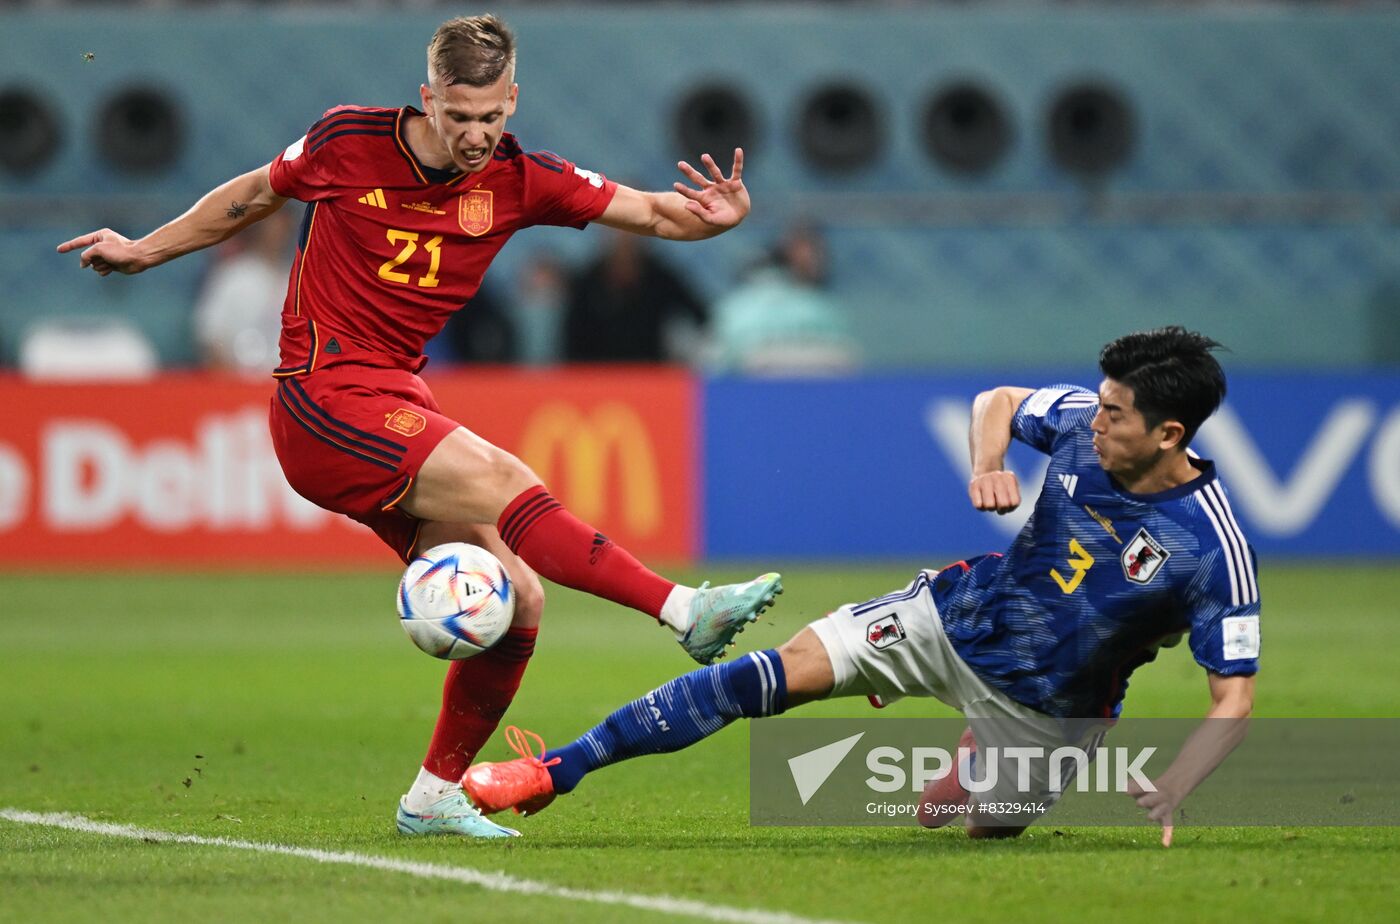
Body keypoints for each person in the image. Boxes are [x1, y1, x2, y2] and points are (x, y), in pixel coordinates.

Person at [56, 14, 781, 840]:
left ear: (512, 100)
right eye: (458, 117)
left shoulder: (521, 179)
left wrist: (715, 218)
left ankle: (433, 796)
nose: (475, 136)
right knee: (507, 478)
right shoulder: (345, 141)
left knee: (522, 600)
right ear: (428, 97)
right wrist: (145, 250)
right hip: (321, 397)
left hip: (394, 398)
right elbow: (250, 196)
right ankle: (687, 610)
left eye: (490, 118)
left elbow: (652, 213)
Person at [464, 327, 1259, 842]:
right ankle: (551, 771)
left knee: (974, 825)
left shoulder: (1210, 550)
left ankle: (979, 752)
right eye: (1100, 405)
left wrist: (1177, 784)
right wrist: (988, 465)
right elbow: (999, 401)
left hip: (1049, 709)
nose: (1093, 422)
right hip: (956, 618)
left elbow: (1234, 699)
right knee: (764, 679)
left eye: (1115, 416)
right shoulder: (1086, 424)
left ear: (1169, 434)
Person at [562, 229, 708, 362]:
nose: (625, 239)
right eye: (617, 232)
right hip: (597, 377)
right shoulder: (587, 283)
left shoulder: (661, 278)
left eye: (631, 232)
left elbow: (699, 315)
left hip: (651, 374)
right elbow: (571, 340)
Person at [192, 207, 295, 374]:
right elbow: (211, 338)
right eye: (271, 221)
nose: (276, 229)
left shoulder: (299, 277)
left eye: (282, 222)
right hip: (240, 383)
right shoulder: (232, 276)